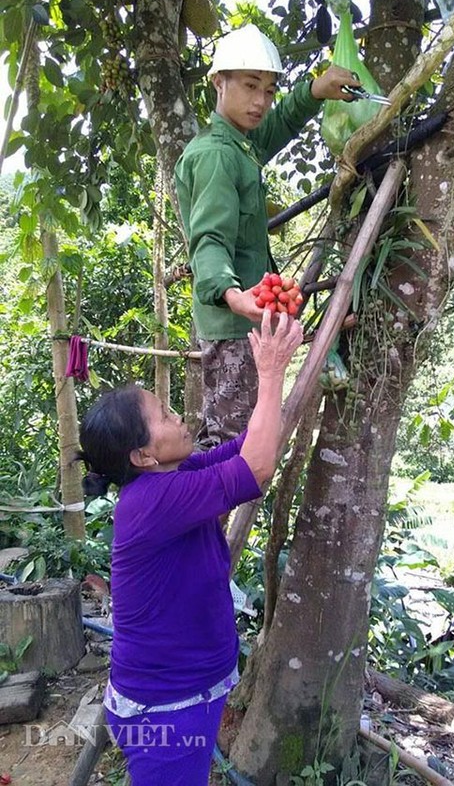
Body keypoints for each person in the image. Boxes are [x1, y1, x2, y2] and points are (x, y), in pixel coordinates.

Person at [76, 312, 303, 786]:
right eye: (163, 415)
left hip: (182, 694)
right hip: (165, 710)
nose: (177, 415)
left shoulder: (172, 477)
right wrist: (271, 372)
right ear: (142, 456)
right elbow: (258, 468)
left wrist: (287, 368)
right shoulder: (154, 501)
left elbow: (253, 450)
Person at [175, 23, 359, 449]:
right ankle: (199, 516)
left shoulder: (238, 144)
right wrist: (233, 295)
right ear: (219, 82)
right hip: (236, 325)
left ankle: (199, 512)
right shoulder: (218, 156)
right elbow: (209, 241)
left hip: (241, 320)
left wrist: (314, 92)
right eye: (250, 86)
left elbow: (275, 128)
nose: (260, 101)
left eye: (270, 90)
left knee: (226, 436)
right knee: (235, 449)